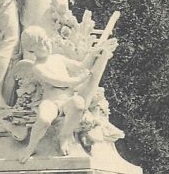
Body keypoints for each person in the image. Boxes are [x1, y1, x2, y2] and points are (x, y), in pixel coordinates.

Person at [17, 26, 117, 162]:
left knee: (79, 104)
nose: (47, 45)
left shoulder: (58, 58)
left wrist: (93, 54)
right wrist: (78, 79)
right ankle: (31, 146)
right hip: (51, 102)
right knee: (44, 120)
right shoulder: (38, 67)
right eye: (42, 45)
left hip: (67, 101)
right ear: (32, 50)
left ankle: (64, 135)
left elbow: (81, 66)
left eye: (46, 41)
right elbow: (59, 82)